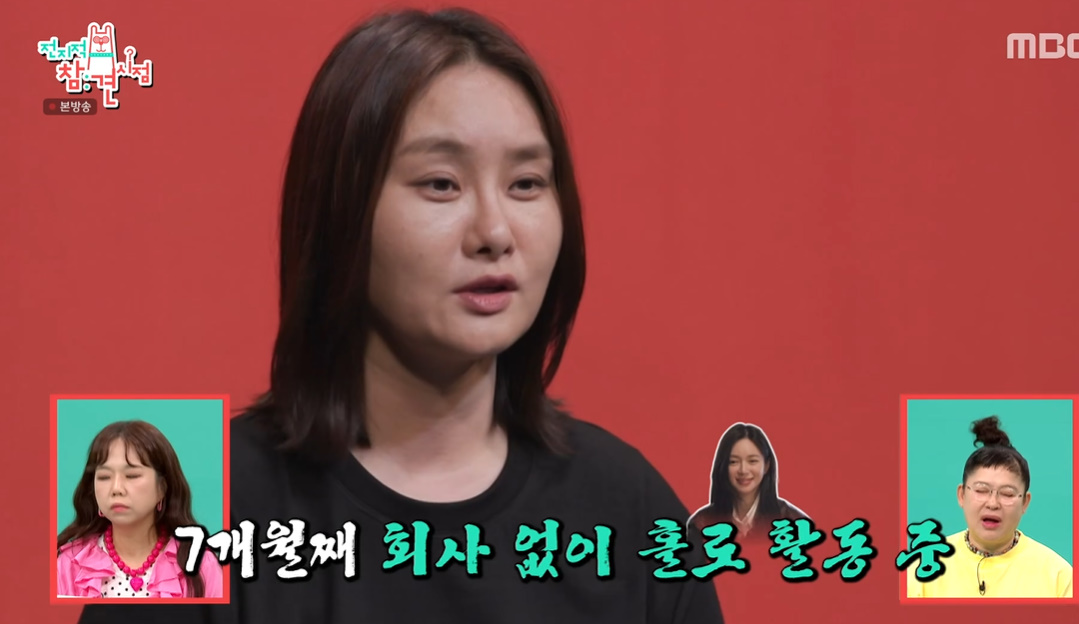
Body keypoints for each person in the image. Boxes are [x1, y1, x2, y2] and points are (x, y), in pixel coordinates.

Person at [78, 7, 723, 623]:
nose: (495, 232)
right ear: (341, 210)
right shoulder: (180, 513)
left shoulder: (632, 510)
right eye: (441, 183)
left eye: (526, 183)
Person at [907, 416, 1073, 598]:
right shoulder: (923, 567)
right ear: (962, 495)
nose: (993, 503)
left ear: (1025, 502)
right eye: (981, 490)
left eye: (1007, 494)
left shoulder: (1059, 576)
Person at [57, 420, 223, 599]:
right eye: (104, 477)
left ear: (162, 488)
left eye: (132, 475)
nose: (116, 489)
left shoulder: (200, 565)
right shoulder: (69, 564)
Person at [687, 423, 808, 546]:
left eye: (752, 461)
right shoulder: (701, 523)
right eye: (733, 462)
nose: (743, 470)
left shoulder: (794, 522)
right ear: (723, 466)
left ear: (766, 465)